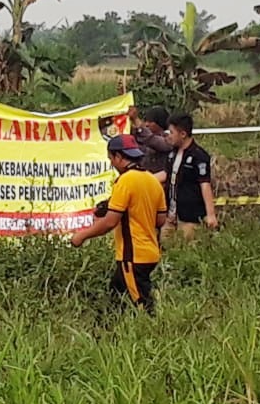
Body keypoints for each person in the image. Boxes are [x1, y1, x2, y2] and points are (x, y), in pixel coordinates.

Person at [70, 134, 169, 313]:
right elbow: (160, 220)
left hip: (132, 257)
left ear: (119, 157)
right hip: (151, 253)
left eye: (111, 158)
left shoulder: (125, 181)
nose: (112, 163)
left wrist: (81, 236)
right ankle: (111, 336)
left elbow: (109, 222)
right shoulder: (152, 181)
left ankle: (157, 335)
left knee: (143, 306)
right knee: (116, 302)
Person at [165, 112, 218, 239]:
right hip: (170, 216)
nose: (169, 136)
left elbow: (205, 184)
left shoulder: (199, 156)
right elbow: (167, 175)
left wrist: (211, 214)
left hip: (190, 218)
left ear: (183, 134)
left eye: (172, 132)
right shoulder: (172, 154)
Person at [128, 104, 173, 181]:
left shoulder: (169, 141)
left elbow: (151, 139)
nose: (146, 124)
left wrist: (136, 120)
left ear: (159, 123)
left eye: (150, 121)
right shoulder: (141, 138)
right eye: (146, 121)